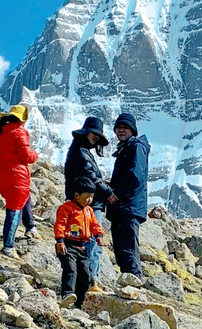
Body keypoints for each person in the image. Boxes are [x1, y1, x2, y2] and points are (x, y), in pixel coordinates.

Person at [64, 116, 113, 291]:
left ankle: (84, 281)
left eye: (98, 135)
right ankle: (92, 281)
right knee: (93, 242)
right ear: (86, 132)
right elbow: (91, 177)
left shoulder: (80, 149)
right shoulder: (81, 153)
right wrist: (108, 192)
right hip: (91, 203)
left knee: (85, 242)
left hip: (83, 202)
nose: (96, 138)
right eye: (94, 134)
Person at [0, 104, 39, 258]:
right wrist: (35, 154)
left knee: (24, 197)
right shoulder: (20, 132)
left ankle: (30, 227)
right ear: (22, 120)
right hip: (17, 176)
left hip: (1, 177)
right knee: (14, 210)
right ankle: (8, 247)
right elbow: (26, 157)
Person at [106, 112, 150, 279]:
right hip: (123, 208)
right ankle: (128, 285)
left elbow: (135, 176)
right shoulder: (127, 147)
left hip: (128, 207)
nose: (121, 130)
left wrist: (115, 194)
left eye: (125, 127)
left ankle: (135, 285)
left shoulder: (136, 147)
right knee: (121, 250)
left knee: (128, 249)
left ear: (133, 130)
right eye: (119, 127)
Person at [54, 179, 104, 309]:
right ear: (77, 195)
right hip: (68, 245)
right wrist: (60, 241)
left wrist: (98, 235)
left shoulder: (89, 211)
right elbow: (60, 224)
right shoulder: (67, 208)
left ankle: (79, 301)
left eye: (91, 197)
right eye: (87, 197)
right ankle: (67, 294)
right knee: (71, 269)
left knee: (86, 275)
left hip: (82, 247)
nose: (89, 200)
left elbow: (94, 224)